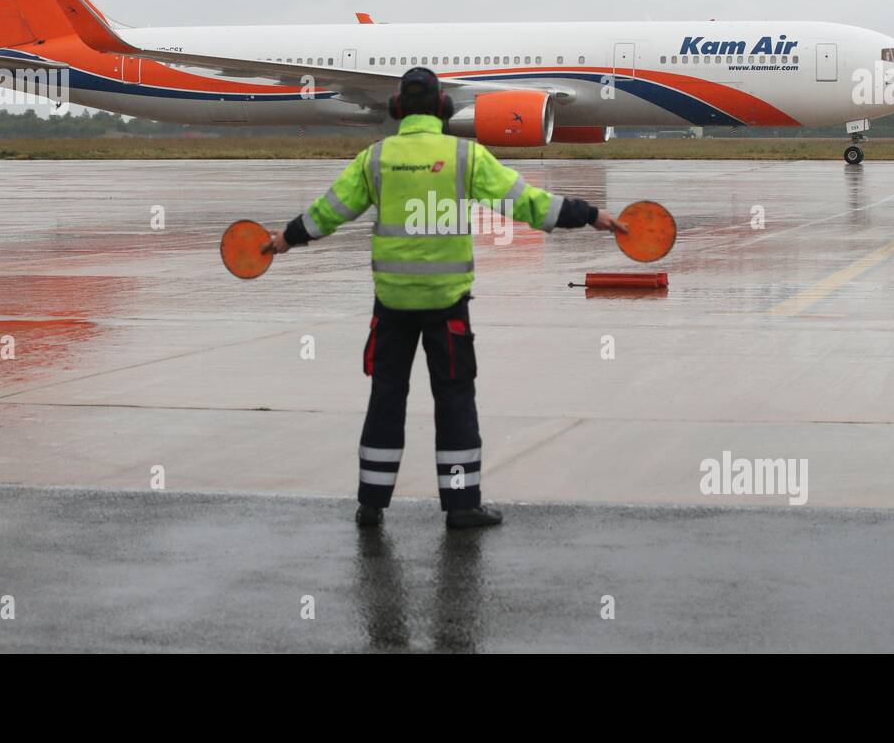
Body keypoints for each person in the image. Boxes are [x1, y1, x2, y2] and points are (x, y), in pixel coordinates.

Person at [264, 67, 625, 529]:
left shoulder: (375, 159)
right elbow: (529, 203)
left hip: (391, 305)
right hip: (446, 306)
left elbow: (327, 213)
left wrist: (284, 240)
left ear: (397, 109)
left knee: (386, 399)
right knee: (454, 400)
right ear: (443, 108)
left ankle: (371, 504)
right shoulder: (465, 156)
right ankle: (461, 505)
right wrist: (591, 214)